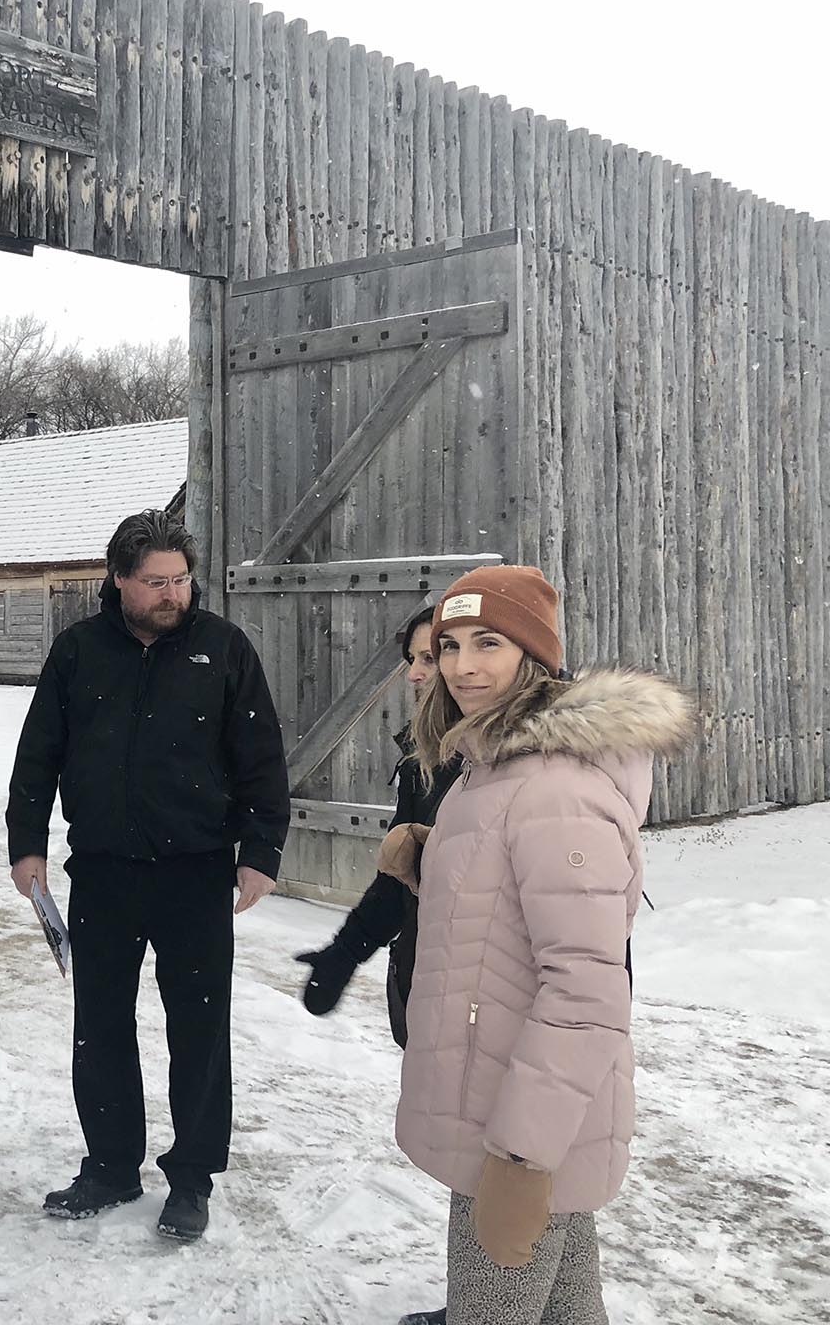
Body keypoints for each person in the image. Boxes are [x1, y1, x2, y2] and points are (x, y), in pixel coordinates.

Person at [385, 566, 689, 1325]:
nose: (461, 666)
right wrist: (435, 854)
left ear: (535, 655)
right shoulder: (498, 764)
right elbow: (516, 899)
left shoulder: (554, 788)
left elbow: (586, 991)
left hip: (515, 1125)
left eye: (488, 642)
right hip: (511, 1102)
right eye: (449, 644)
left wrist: (521, 1158)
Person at [5, 510, 290, 1242]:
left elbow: (260, 757)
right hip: (101, 872)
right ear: (119, 580)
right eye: (155, 582)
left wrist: (260, 851)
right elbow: (38, 755)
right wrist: (25, 845)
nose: (172, 594)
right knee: (99, 1026)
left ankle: (190, 1179)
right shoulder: (77, 652)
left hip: (194, 873)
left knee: (197, 1029)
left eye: (180, 580)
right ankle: (109, 1166)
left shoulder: (221, 648)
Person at [293, 604, 461, 1048]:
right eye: (412, 660)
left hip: (482, 1003)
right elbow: (401, 879)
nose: (413, 674)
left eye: (430, 658)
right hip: (426, 985)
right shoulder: (423, 757)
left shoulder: (513, 765)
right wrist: (346, 951)